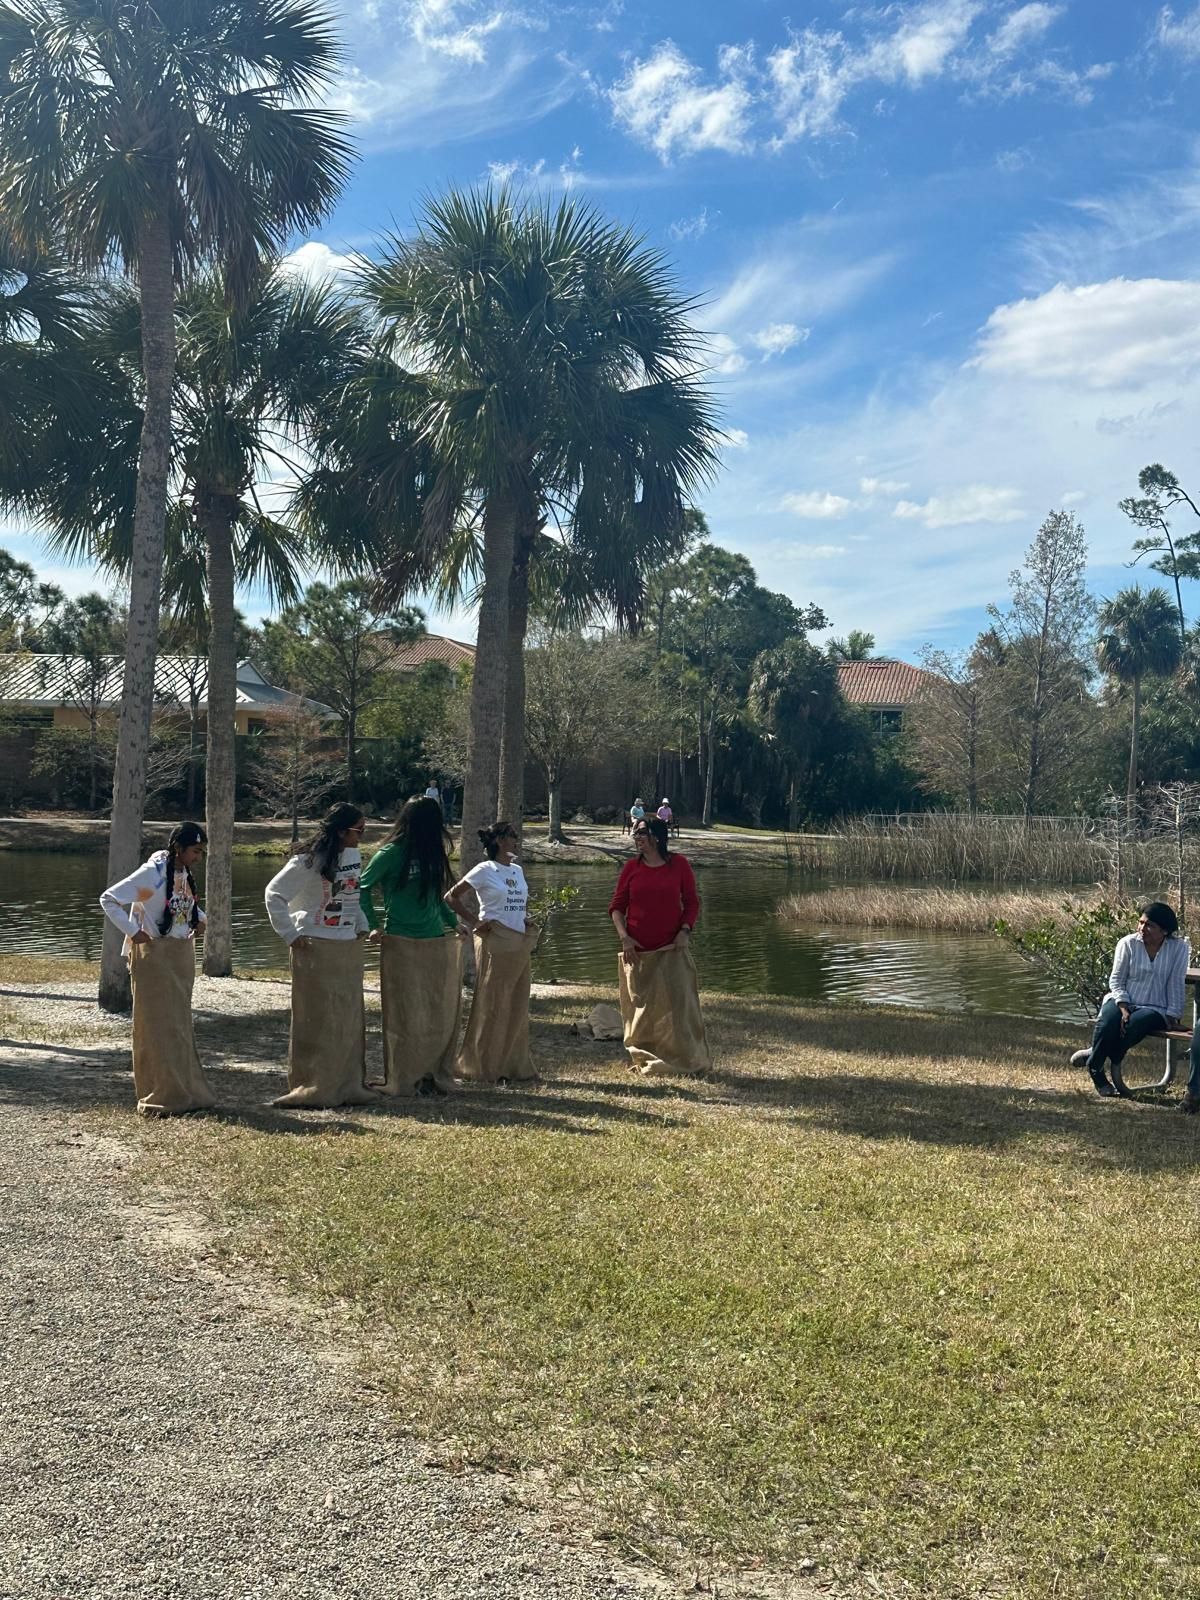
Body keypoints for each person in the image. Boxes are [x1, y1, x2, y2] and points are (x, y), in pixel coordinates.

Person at [99, 822, 216, 1117]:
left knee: (178, 1025)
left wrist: (199, 918)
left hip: (180, 955)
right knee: (157, 1026)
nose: (198, 857)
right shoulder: (152, 874)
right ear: (178, 847)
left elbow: (182, 904)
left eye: (201, 852)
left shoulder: (183, 872)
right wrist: (131, 930)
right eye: (195, 851)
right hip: (154, 956)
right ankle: (161, 1093)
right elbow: (109, 899)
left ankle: (186, 1090)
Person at [264, 802, 376, 1109]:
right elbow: (274, 894)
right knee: (317, 1018)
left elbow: (352, 893)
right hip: (315, 945)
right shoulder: (308, 861)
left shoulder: (352, 856)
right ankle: (312, 1085)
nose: (362, 837)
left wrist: (362, 923)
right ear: (341, 831)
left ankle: (349, 1084)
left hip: (346, 944)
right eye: (359, 831)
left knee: (347, 1017)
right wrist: (290, 933)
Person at [361, 796, 462, 1097]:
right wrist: (373, 924)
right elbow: (363, 887)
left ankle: (431, 1073)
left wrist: (454, 923)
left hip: (434, 940)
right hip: (400, 940)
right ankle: (403, 1075)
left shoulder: (433, 853)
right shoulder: (391, 853)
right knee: (405, 1010)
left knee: (433, 1008)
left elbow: (438, 894)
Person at [609, 815, 710, 1076]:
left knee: (679, 1006)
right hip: (637, 951)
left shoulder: (679, 865)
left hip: (671, 950)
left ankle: (685, 1056)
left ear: (657, 835)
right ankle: (643, 1055)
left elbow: (692, 902)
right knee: (640, 1009)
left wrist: (685, 931)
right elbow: (617, 907)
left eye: (642, 833)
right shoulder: (632, 867)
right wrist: (625, 937)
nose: (637, 838)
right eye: (635, 835)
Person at [446, 821, 540, 1085]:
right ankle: (483, 1065)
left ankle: (512, 1064)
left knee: (517, 1000)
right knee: (493, 1001)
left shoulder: (518, 870)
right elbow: (451, 897)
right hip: (494, 941)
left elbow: (517, 903)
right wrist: (474, 921)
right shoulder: (484, 869)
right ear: (499, 840)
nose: (516, 840)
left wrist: (524, 919)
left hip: (518, 941)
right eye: (511, 836)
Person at [1072, 901, 1189, 1098]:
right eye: (1141, 923)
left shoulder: (1179, 949)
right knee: (1109, 1021)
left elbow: (1176, 982)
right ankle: (1096, 1070)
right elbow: (1116, 980)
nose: (1143, 929)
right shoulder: (1127, 943)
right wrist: (1123, 1006)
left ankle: (1094, 1057)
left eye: (1150, 925)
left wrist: (1173, 1016)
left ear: (1165, 931)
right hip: (1121, 999)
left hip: (1155, 1006)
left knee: (1134, 1025)